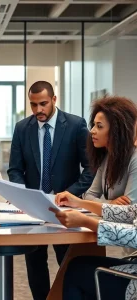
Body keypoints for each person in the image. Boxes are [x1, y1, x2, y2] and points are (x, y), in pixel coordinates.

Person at [8, 81, 94, 300]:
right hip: (33, 207)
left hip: (65, 206)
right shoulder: (22, 128)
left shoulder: (75, 125)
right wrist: (20, 194)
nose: (38, 110)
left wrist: (71, 195)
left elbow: (90, 167)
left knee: (67, 262)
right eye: (33, 104)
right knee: (35, 262)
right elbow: (15, 169)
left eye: (43, 104)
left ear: (54, 100)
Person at [49, 96, 137, 299]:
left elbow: (133, 232)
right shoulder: (108, 158)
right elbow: (127, 211)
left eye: (99, 126)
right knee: (76, 265)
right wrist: (80, 202)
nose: (92, 132)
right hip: (132, 261)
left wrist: (86, 221)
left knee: (76, 273)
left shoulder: (134, 159)